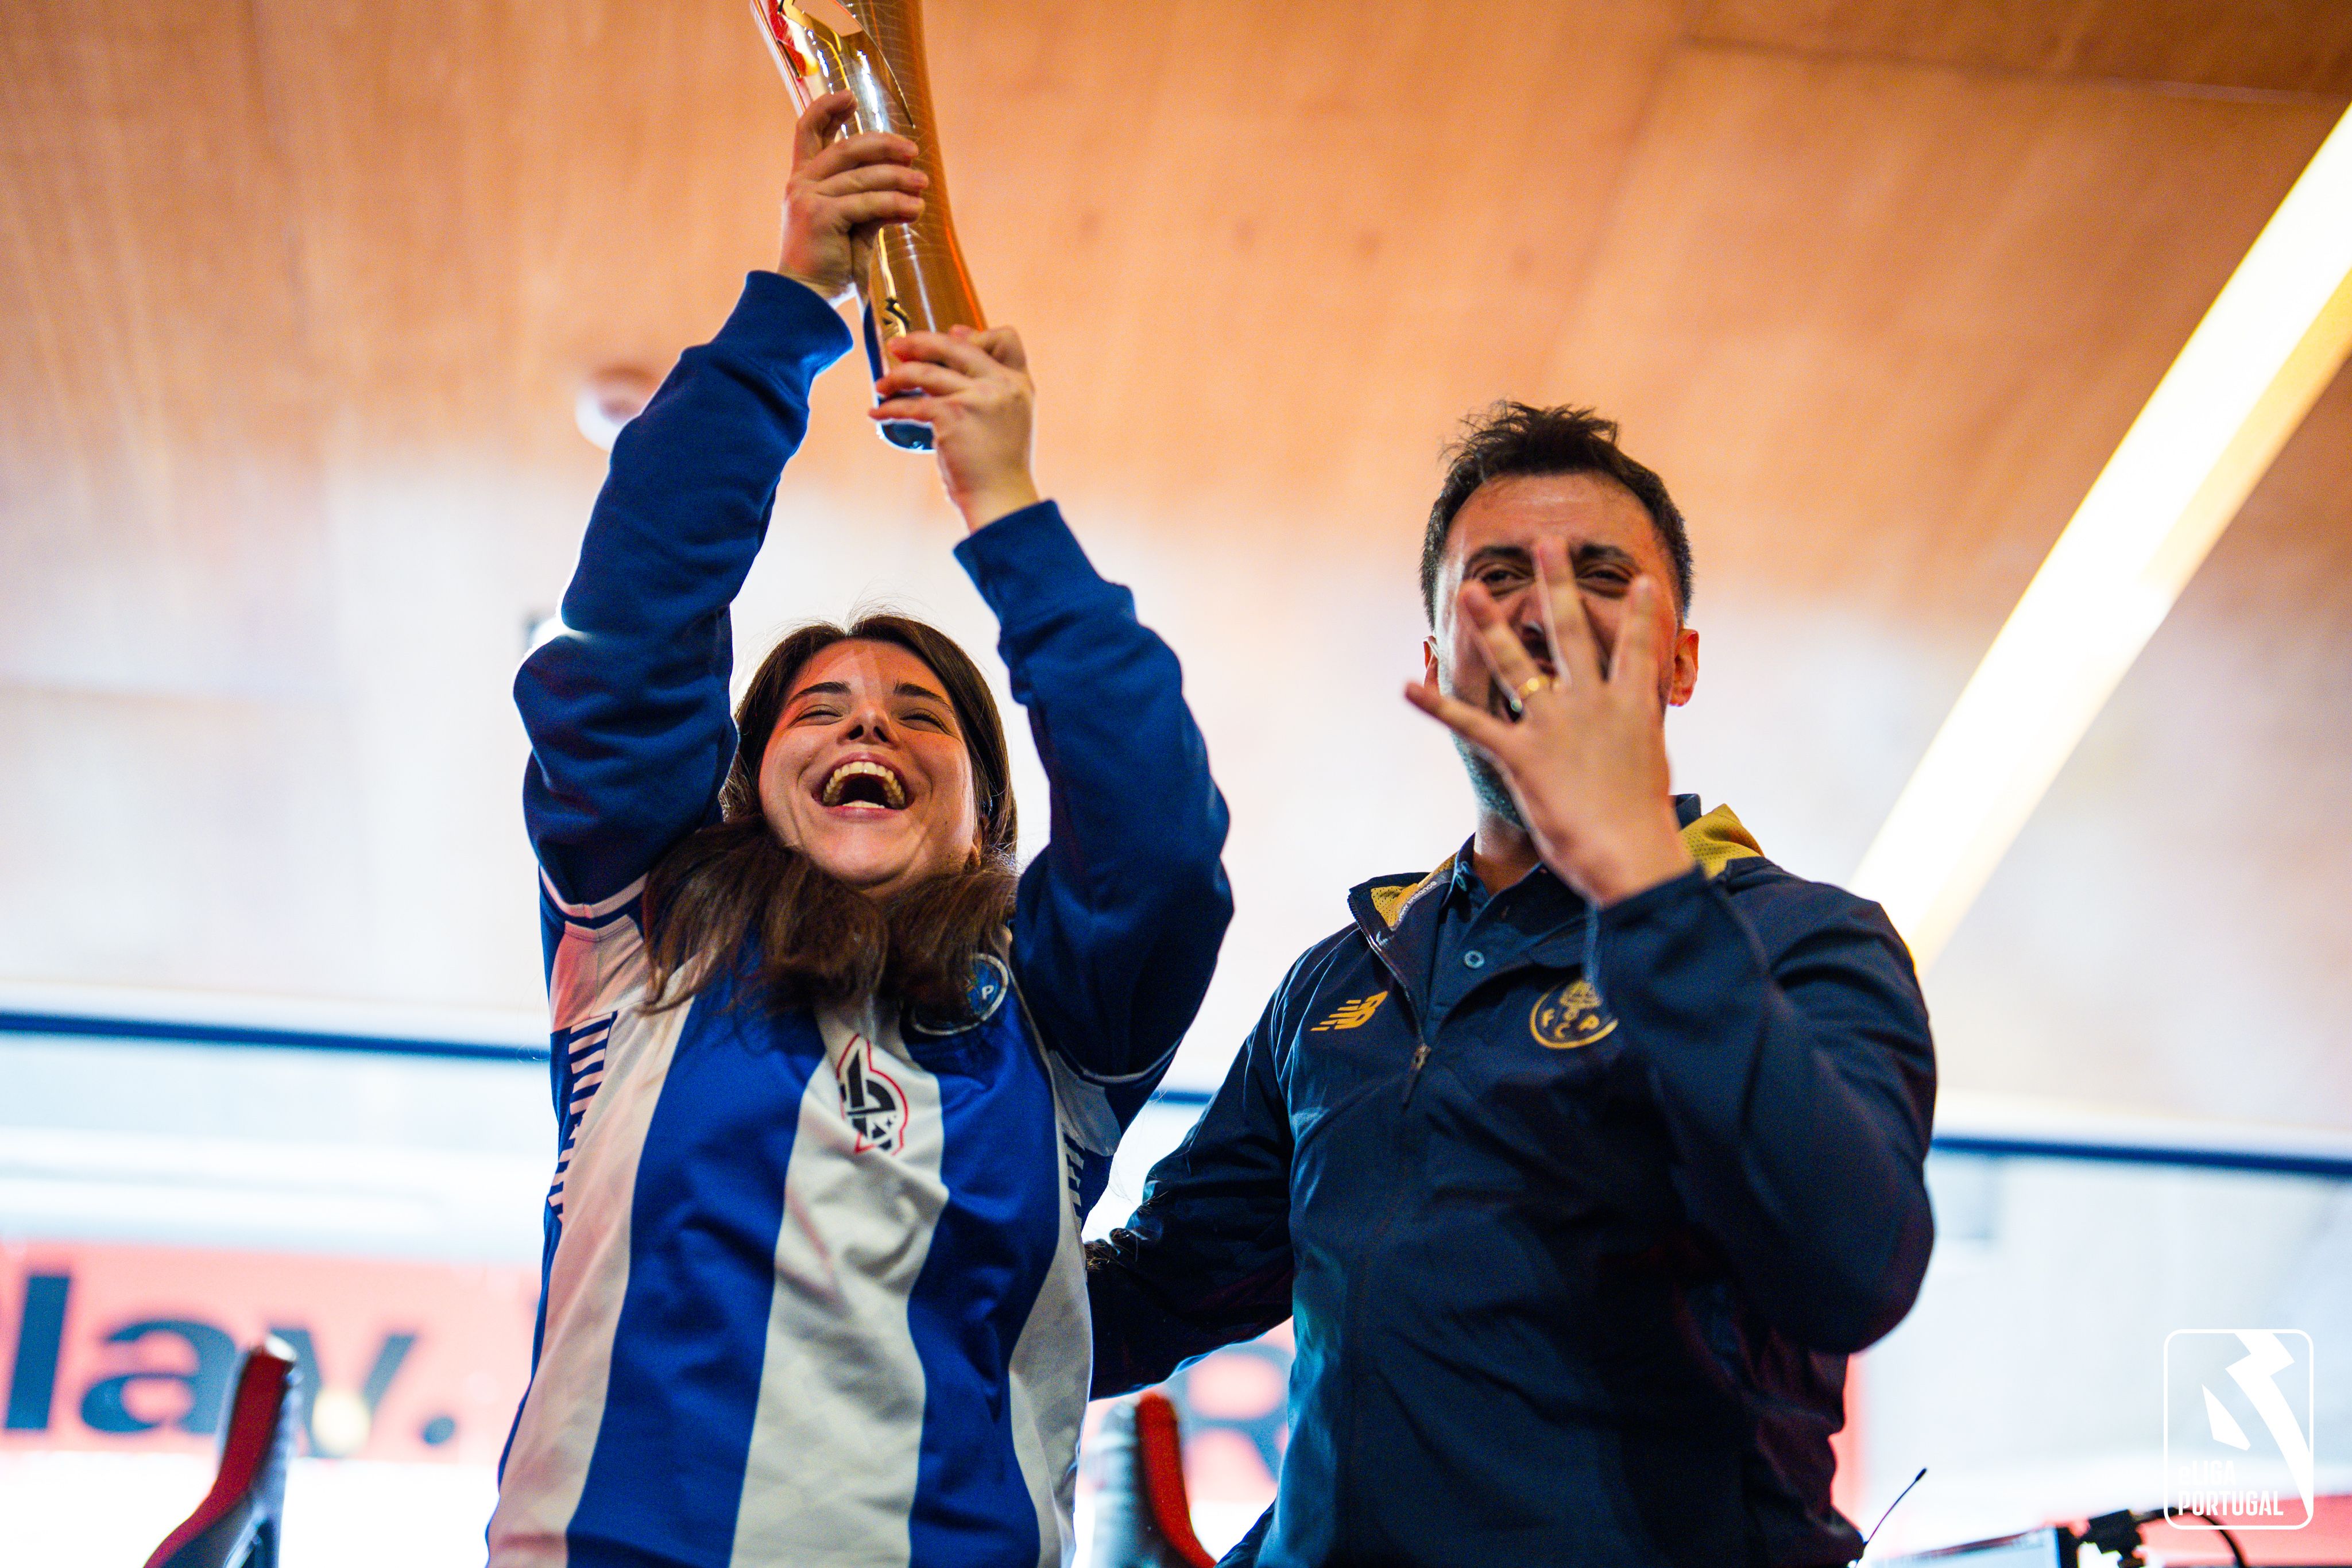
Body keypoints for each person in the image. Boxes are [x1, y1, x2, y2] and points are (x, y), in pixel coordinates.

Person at [488, 92, 1232, 1568]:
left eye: (920, 715)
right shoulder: (643, 937)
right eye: (817, 709)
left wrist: (1004, 502)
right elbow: (630, 635)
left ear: (983, 819)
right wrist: (786, 311)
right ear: (744, 783)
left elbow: (1154, 839)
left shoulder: (1057, 1024)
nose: (868, 726)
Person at [1086, 404, 1937, 1567]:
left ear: (1678, 657)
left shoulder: (1800, 940)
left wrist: (1639, 883)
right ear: (1436, 661)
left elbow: (1853, 1268)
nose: (1542, 607)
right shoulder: (1343, 979)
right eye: (1495, 578)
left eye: (1599, 574)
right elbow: (1160, 1287)